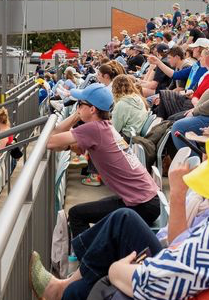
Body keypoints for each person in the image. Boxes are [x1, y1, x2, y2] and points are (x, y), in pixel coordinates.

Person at [29, 127, 209, 300]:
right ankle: (62, 293)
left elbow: (153, 285)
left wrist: (116, 270)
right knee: (123, 224)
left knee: (111, 282)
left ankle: (62, 293)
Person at [47, 83, 160, 237]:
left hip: (141, 204)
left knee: (76, 214)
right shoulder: (104, 126)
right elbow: (69, 147)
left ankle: (89, 260)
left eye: (80, 104)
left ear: (92, 109)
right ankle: (93, 254)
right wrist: (68, 142)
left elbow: (50, 141)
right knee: (87, 215)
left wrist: (74, 117)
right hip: (147, 199)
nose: (77, 108)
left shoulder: (94, 129)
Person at [110, 75, 147, 139]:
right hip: (137, 134)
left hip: (127, 137)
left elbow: (115, 129)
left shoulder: (121, 104)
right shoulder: (138, 98)